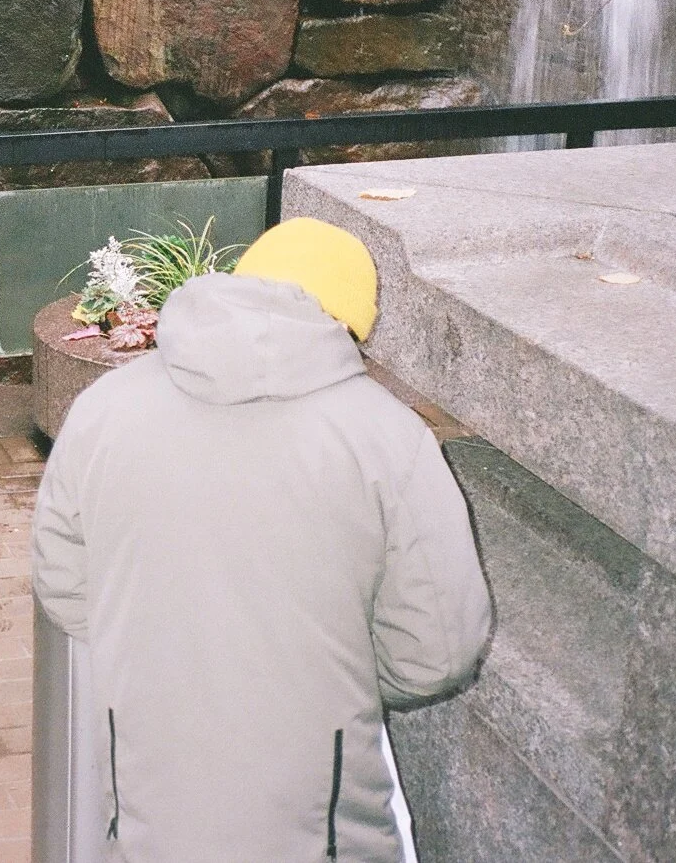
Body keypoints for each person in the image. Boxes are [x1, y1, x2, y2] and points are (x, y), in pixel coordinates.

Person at [31, 216, 493, 862]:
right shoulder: (388, 435)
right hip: (317, 814)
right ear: (345, 324)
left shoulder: (104, 407)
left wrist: (159, 650)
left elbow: (61, 581)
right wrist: (324, 678)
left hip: (147, 787)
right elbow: (437, 649)